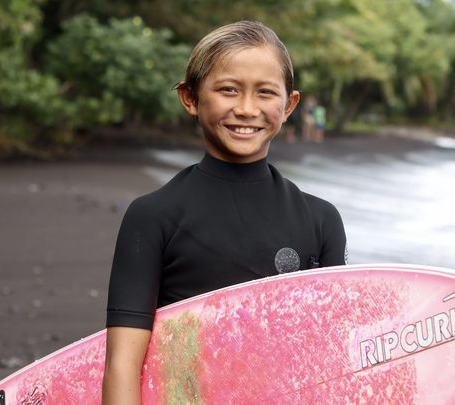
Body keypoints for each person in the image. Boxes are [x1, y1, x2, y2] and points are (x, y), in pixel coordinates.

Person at [101, 21, 347, 404]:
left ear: (289, 105)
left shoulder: (321, 220)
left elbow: (333, 361)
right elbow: (122, 364)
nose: (247, 109)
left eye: (265, 93)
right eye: (228, 90)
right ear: (190, 98)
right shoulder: (153, 216)